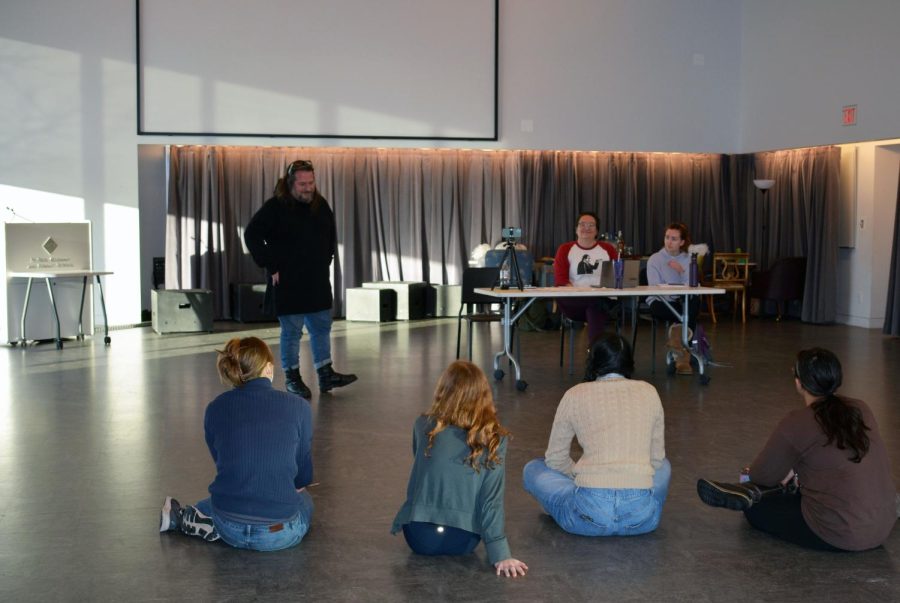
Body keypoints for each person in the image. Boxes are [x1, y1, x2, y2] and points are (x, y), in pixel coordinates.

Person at [697, 348, 897, 551]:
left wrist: (769, 471)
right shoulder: (860, 408)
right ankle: (771, 489)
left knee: (757, 509)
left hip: (842, 534)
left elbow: (763, 475)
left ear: (799, 383)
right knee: (801, 479)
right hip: (882, 525)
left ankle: (751, 494)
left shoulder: (797, 422)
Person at [159, 336, 314, 551]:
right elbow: (303, 478)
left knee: (225, 495)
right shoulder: (298, 407)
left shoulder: (215, 408)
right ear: (268, 368)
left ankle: (189, 517)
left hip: (228, 527)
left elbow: (224, 463)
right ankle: (198, 519)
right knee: (305, 500)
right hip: (279, 533)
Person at [523, 333, 671, 536]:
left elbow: (555, 460)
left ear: (592, 362)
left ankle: (560, 506)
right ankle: (644, 507)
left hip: (588, 515)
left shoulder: (574, 394)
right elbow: (655, 461)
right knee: (665, 465)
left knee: (532, 469)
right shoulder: (650, 392)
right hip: (641, 519)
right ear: (629, 362)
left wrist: (581, 473)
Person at [391, 360, 528, 578]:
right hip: (462, 540)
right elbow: (490, 500)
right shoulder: (494, 439)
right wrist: (501, 552)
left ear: (442, 392)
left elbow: (420, 461)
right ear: (484, 395)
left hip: (418, 537)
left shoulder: (423, 425)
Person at [244, 159, 357, 399]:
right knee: (292, 332)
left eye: (311, 182)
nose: (308, 188)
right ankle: (293, 378)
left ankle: (325, 374)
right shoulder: (275, 207)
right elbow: (252, 234)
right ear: (290, 183)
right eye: (303, 183)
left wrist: (326, 260)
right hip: (288, 282)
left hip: (316, 280)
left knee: (321, 327)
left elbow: (330, 235)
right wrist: (271, 264)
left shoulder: (320, 204)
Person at [553, 211, 620, 342]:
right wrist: (582, 293)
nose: (586, 228)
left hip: (602, 299)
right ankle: (596, 354)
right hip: (574, 301)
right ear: (576, 229)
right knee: (595, 304)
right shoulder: (565, 249)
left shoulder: (608, 249)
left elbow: (615, 277)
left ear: (597, 231)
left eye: (591, 225)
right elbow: (561, 281)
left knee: (595, 306)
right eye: (582, 224)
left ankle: (594, 352)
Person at [645, 222, 701, 375]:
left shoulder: (688, 259)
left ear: (682, 242)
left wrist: (681, 270)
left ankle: (678, 346)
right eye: (667, 237)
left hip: (682, 300)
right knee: (687, 315)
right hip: (660, 300)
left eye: (674, 239)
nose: (669, 242)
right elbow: (654, 286)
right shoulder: (655, 259)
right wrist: (674, 292)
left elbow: (693, 284)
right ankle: (683, 357)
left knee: (694, 301)